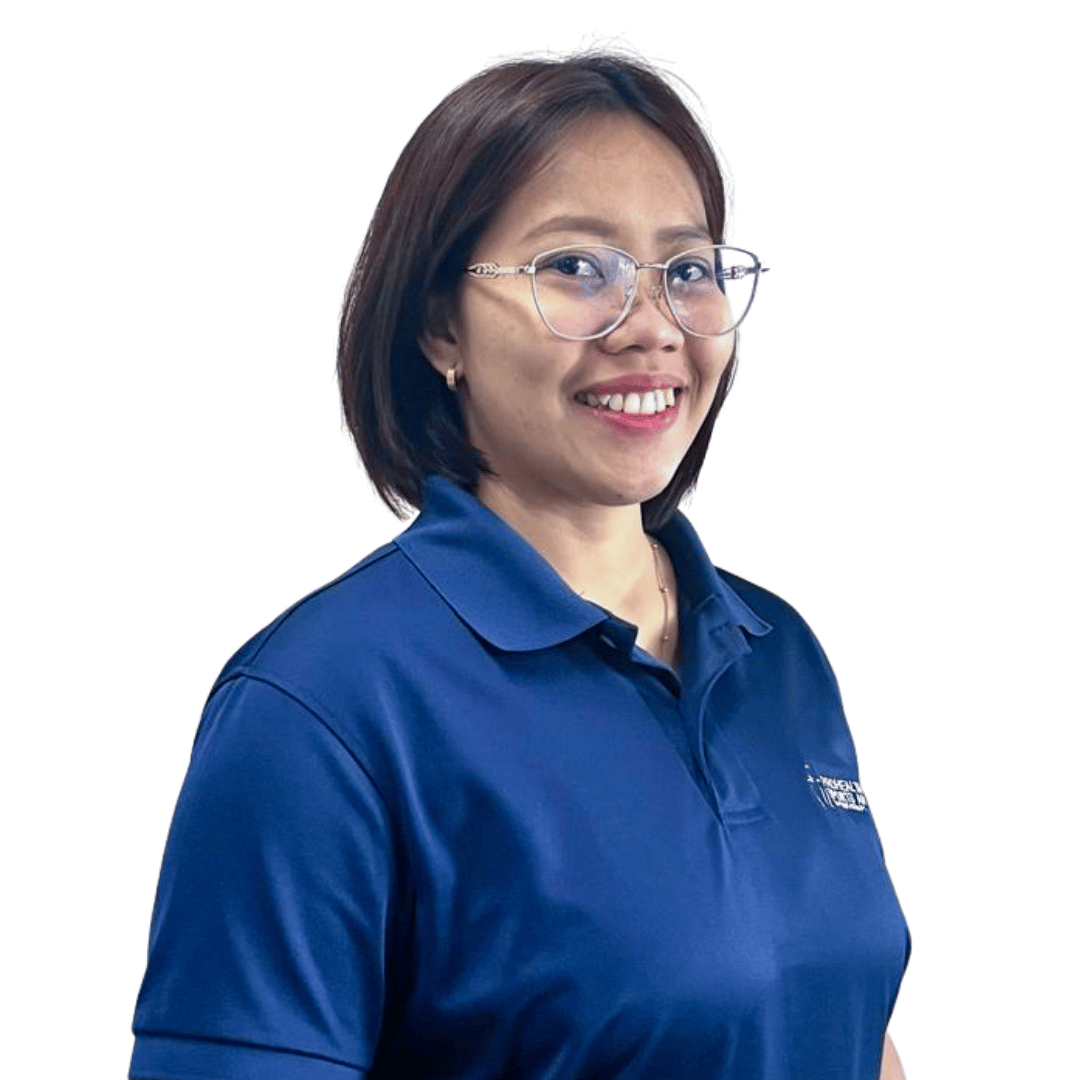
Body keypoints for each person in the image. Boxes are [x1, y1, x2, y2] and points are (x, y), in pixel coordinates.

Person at [130, 53, 909, 1080]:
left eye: (688, 271)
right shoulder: (320, 706)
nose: (651, 328)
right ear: (439, 324)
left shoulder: (779, 656)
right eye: (576, 270)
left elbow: (843, 1026)